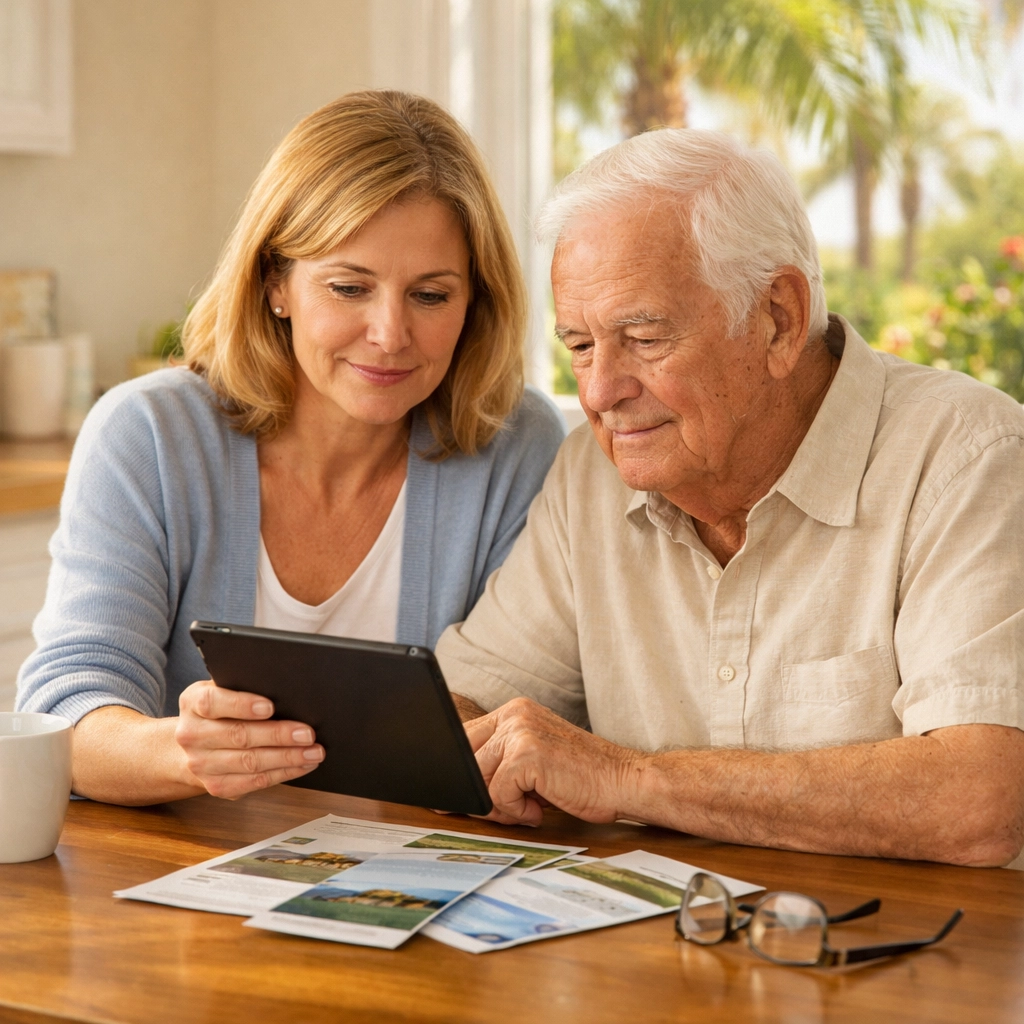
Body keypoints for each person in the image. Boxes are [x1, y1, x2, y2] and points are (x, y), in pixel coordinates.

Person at [437, 128, 1024, 867]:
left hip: (906, 964)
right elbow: (463, 703)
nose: (598, 392)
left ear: (778, 317)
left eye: (644, 338)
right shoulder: (590, 470)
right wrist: (467, 752)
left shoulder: (969, 456)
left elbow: (980, 799)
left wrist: (627, 779)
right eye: (580, 346)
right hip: (657, 957)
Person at [16, 90, 564, 807]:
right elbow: (67, 713)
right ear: (276, 282)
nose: (390, 333)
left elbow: (516, 720)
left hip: (413, 878)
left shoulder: (515, 447)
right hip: (177, 877)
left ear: (476, 302)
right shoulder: (147, 436)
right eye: (348, 287)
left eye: (430, 295)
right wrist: (181, 752)